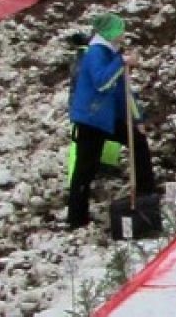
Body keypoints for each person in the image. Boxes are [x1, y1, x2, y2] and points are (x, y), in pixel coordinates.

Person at [66, 13, 156, 230]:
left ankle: (146, 194)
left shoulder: (112, 54)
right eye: (120, 30)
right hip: (91, 119)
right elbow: (102, 83)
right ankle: (76, 218)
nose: (123, 35)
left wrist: (137, 119)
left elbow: (124, 93)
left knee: (138, 143)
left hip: (108, 118)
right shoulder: (96, 53)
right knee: (85, 168)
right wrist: (120, 62)